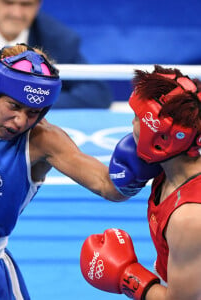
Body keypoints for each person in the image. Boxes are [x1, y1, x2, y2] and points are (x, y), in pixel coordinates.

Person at [0, 43, 160, 299]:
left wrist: (145, 153)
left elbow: (107, 185)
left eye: (33, 112)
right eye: (13, 106)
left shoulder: (42, 141)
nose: (21, 121)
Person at [80, 65, 201, 299]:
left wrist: (128, 276)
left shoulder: (190, 217)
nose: (132, 125)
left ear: (161, 137)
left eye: (137, 118)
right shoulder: (168, 168)